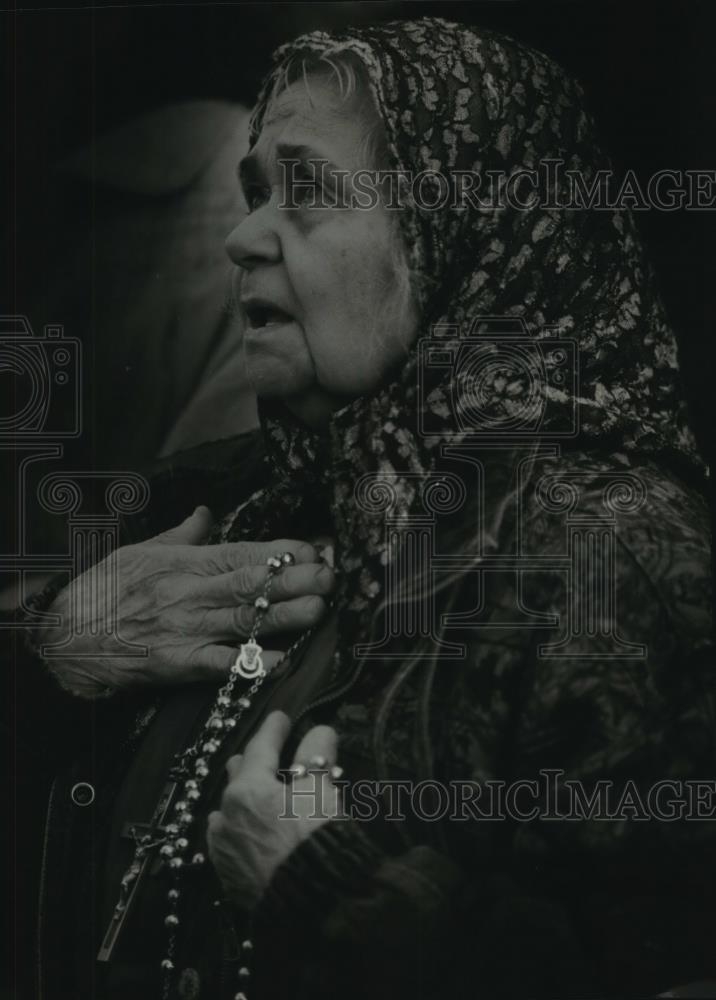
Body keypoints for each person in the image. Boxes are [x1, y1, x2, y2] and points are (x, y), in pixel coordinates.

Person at [8, 17, 714, 1000]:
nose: (241, 234)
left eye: (307, 192)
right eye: (255, 192)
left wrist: (329, 893)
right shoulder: (225, 497)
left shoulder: (609, 544)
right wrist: (46, 652)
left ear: (467, 229)